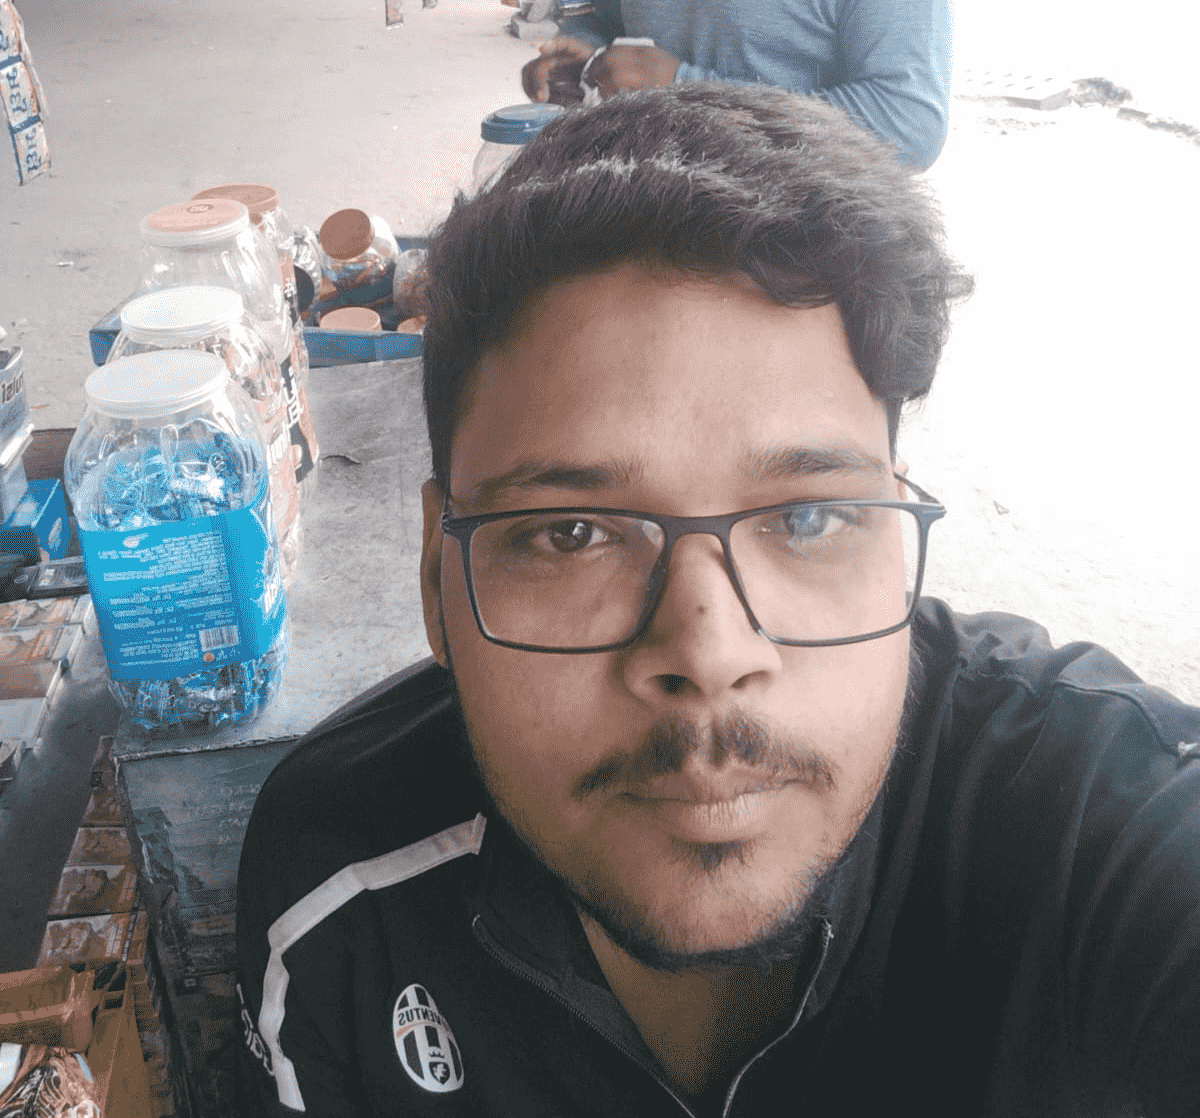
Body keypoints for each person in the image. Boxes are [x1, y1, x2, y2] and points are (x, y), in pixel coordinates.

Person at [236, 85, 1200, 1117]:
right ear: (438, 578)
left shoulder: (1092, 828)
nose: (708, 651)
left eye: (810, 518)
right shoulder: (338, 897)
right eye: (572, 532)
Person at [520, 0, 952, 169]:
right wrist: (590, 56)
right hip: (649, 216)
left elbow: (907, 126)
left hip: (801, 251)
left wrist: (685, 90)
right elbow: (608, 16)